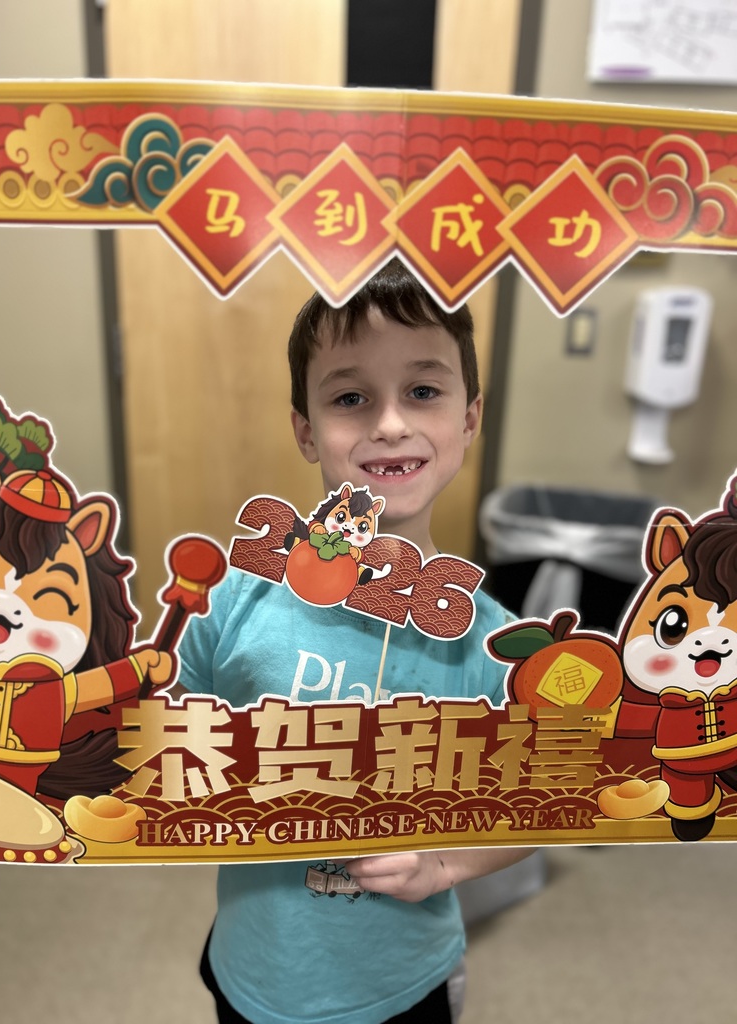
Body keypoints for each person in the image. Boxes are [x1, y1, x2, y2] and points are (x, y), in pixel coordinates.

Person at [178, 259, 531, 1024]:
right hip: (255, 965)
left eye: (424, 391)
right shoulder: (235, 600)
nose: (391, 423)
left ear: (470, 418)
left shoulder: (493, 644)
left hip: (403, 982)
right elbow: (148, 732)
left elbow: (539, 812)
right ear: (306, 430)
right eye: (350, 398)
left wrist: (444, 864)